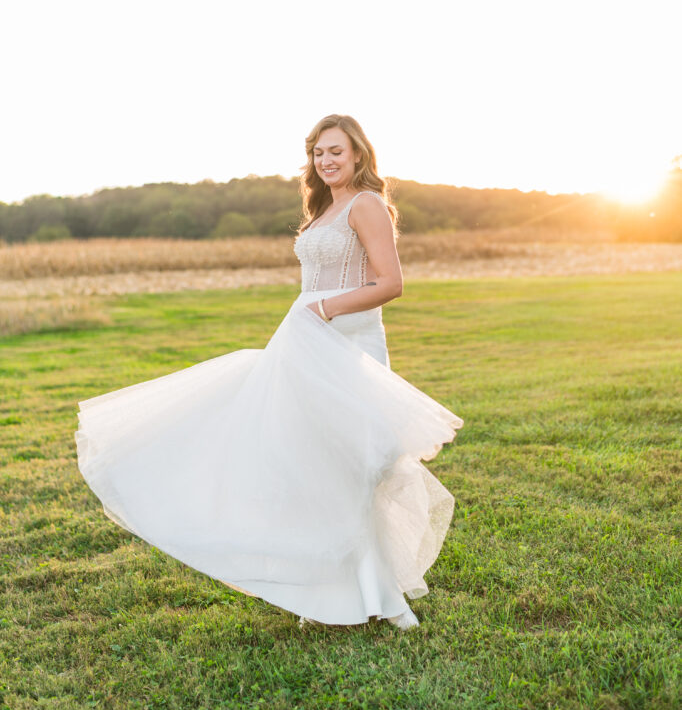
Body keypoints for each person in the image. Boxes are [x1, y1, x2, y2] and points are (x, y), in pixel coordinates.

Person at [75, 113, 463, 631]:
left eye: (336, 151)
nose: (326, 161)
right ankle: (333, 594)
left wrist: (324, 310)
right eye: (318, 153)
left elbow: (390, 283)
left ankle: (385, 598)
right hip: (305, 341)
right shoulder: (324, 209)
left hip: (348, 342)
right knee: (313, 465)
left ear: (358, 154)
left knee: (356, 468)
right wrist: (312, 315)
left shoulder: (366, 204)